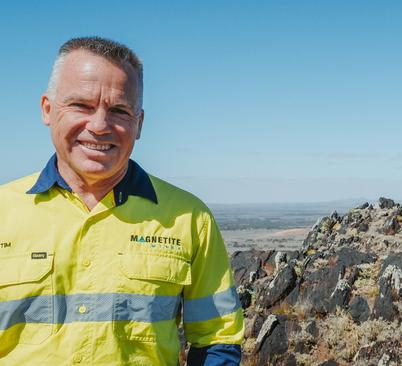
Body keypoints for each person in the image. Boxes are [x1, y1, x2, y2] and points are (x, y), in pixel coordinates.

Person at [0, 37, 244, 365]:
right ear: (48, 109)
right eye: (81, 106)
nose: (99, 125)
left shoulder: (189, 218)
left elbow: (218, 339)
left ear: (139, 124)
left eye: (119, 110)